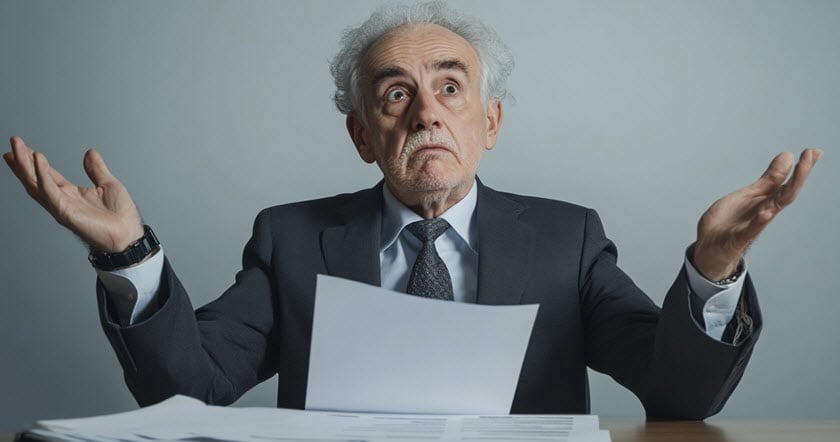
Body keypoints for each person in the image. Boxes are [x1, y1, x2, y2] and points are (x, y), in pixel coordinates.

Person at [2, 2, 821, 419]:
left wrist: (713, 269)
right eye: (396, 94)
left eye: (450, 88)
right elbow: (191, 385)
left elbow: (677, 396)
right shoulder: (291, 240)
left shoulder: (566, 240)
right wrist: (130, 256)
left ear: (489, 124)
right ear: (363, 135)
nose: (427, 112)